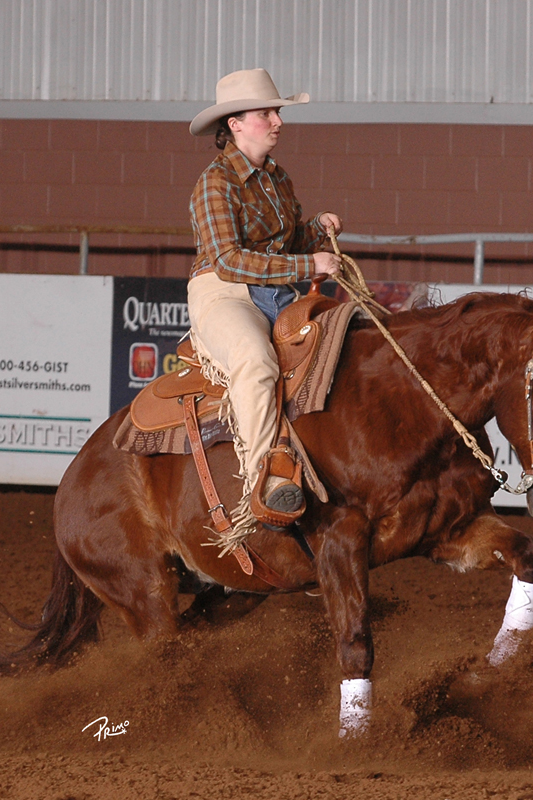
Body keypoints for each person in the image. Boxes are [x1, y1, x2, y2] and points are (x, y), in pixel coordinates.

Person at [187, 68, 343, 530]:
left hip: (274, 290)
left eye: (276, 111)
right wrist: (309, 265)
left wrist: (316, 229)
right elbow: (231, 261)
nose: (278, 121)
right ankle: (266, 481)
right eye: (266, 113)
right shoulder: (214, 184)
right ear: (235, 124)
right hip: (225, 292)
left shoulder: (276, 177)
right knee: (256, 360)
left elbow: (289, 240)